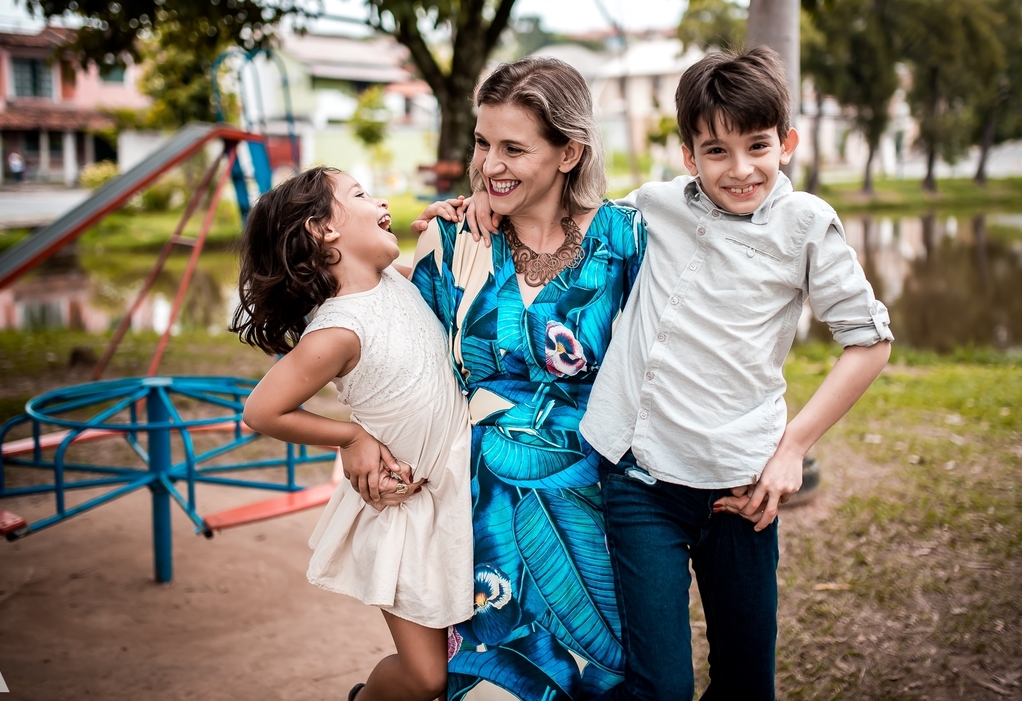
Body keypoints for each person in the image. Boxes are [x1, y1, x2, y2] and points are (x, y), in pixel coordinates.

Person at [457, 47, 893, 700]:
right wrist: (483, 202)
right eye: (716, 150)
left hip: (739, 487)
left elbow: (869, 342)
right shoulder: (650, 209)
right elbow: (558, 214)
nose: (740, 169)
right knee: (658, 685)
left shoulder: (805, 226)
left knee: (747, 685)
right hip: (642, 482)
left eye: (758, 145)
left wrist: (793, 449)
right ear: (689, 155)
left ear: (788, 142)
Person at [409, 58, 645, 700]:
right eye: (483, 143)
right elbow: (410, 372)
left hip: (600, 511)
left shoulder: (629, 241)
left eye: (514, 148)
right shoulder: (451, 241)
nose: (489, 165)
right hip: (479, 512)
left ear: (570, 152)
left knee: (604, 677)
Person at [233, 167, 473, 701]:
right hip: (404, 512)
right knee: (425, 676)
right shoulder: (339, 328)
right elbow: (262, 410)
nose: (381, 199)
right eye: (361, 195)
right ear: (323, 230)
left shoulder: (396, 281)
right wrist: (350, 438)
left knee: (464, 652)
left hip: (455, 496)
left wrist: (439, 232)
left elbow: (452, 284)